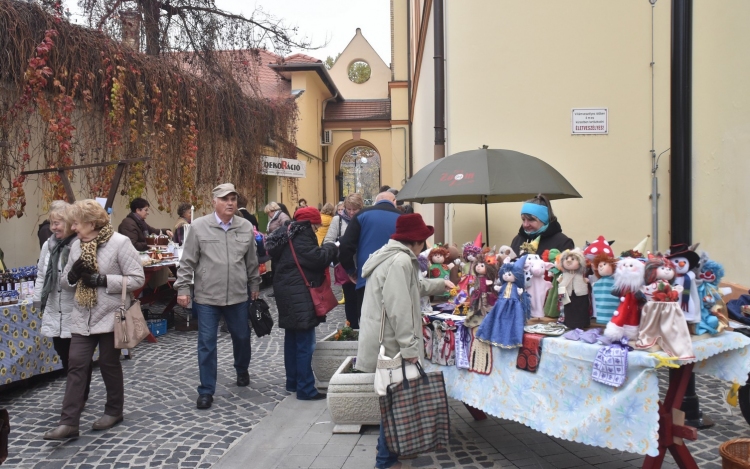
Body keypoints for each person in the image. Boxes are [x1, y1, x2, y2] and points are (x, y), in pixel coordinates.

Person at [355, 213, 453, 469]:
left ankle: (388, 457)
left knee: (392, 400)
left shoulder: (394, 257)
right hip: (391, 346)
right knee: (396, 403)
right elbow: (399, 309)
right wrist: (410, 348)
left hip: (386, 342)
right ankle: (386, 461)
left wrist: (442, 283)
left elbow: (415, 287)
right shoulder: (400, 261)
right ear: (417, 240)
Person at [43, 200, 145, 440]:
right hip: (82, 316)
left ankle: (114, 411)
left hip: (111, 316)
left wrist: (103, 281)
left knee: (109, 364)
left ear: (91, 223)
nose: (73, 228)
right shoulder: (76, 246)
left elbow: (137, 279)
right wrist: (73, 275)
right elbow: (68, 285)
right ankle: (68, 423)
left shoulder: (120, 243)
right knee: (76, 365)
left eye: (76, 223)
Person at [174, 183, 261, 410]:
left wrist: (254, 284)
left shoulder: (245, 226)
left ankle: (242, 368)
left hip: (238, 295)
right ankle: (206, 391)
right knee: (206, 344)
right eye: (225, 199)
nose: (230, 203)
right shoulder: (199, 226)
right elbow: (187, 261)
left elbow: (251, 260)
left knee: (242, 337)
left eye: (233, 198)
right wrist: (183, 289)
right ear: (214, 202)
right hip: (207, 297)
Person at [265, 207, 337, 400]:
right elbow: (318, 259)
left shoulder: (285, 233)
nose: (316, 230)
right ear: (310, 224)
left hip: (286, 291)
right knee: (305, 342)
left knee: (292, 339)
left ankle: (293, 382)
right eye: (316, 226)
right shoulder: (303, 235)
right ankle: (306, 388)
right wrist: (331, 247)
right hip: (300, 293)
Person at [33, 201, 93, 401]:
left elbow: (85, 279)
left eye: (58, 223)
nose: (53, 227)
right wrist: (37, 299)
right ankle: (79, 392)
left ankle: (79, 395)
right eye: (52, 223)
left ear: (69, 223)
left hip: (74, 309)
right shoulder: (48, 245)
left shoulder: (79, 245)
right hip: (54, 308)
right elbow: (41, 274)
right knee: (62, 353)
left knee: (76, 358)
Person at [338, 191, 401, 327]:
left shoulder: (362, 216)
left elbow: (345, 246)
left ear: (376, 201)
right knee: (393, 323)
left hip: (367, 278)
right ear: (394, 201)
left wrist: (350, 270)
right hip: (396, 277)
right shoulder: (402, 217)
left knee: (368, 323)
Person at [324, 193, 365, 326]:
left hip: (364, 264)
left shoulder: (365, 218)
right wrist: (340, 243)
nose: (351, 212)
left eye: (355, 209)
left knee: (365, 299)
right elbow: (328, 241)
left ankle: (365, 329)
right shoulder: (338, 220)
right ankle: (353, 328)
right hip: (346, 264)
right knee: (350, 299)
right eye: (349, 209)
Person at [509, 194, 574, 257]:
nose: (525, 225)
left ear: (544, 220)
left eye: (531, 219)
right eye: (523, 219)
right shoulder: (517, 239)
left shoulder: (563, 242)